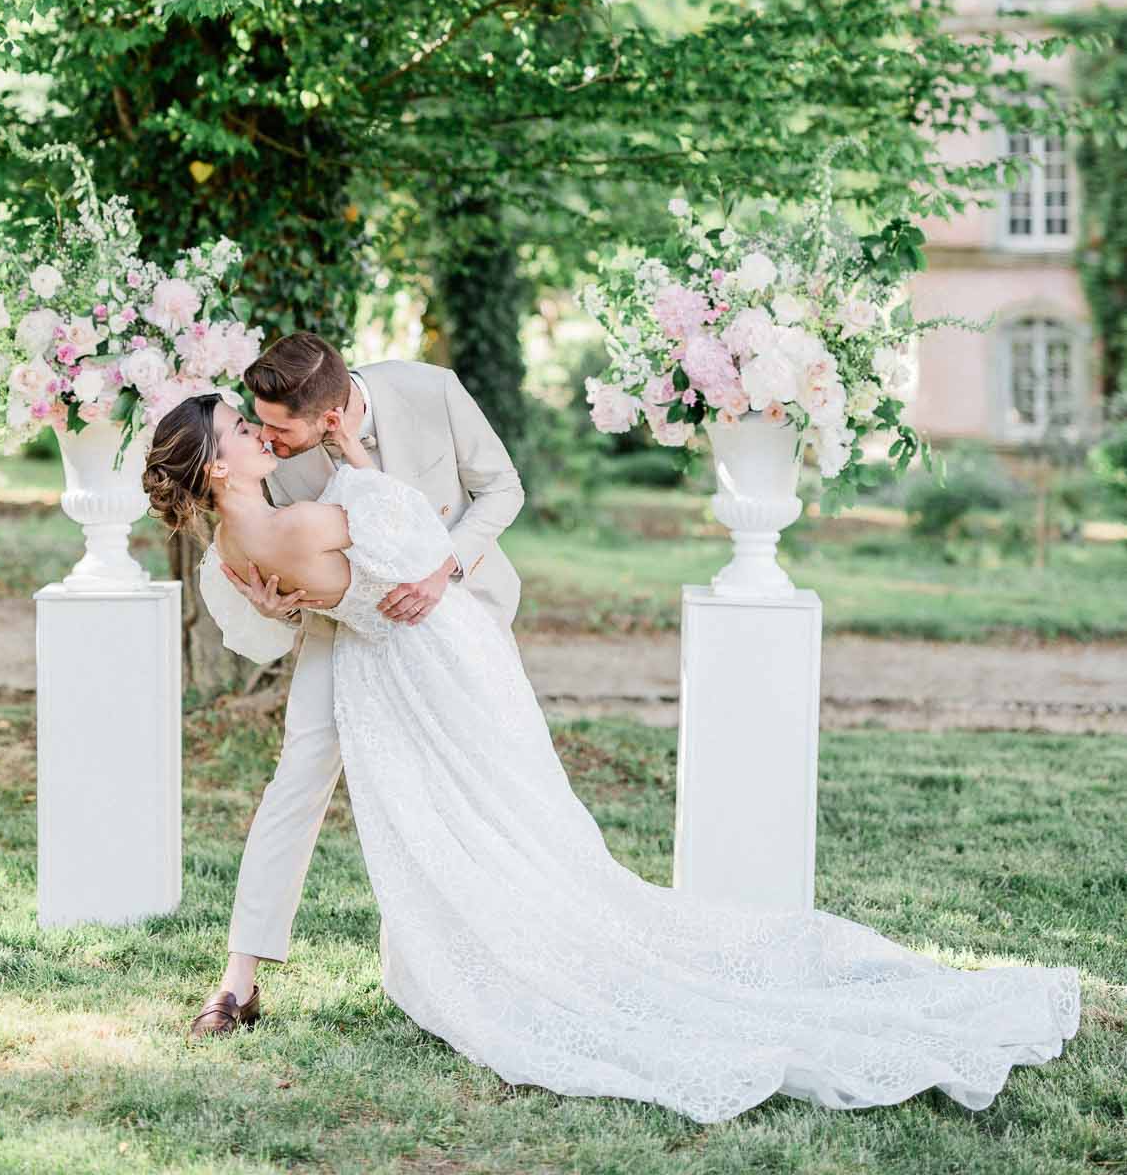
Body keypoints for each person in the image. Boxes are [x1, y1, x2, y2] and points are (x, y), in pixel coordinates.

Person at [143, 392, 1081, 1123]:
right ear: (217, 461)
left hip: (392, 666)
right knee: (511, 811)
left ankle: (390, 957)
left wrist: (301, 596)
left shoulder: (231, 547)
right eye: (240, 426)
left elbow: (323, 578)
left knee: (474, 821)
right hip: (425, 659)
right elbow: (411, 527)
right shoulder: (301, 520)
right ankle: (274, 973)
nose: (261, 431)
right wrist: (355, 465)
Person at [146, 333, 525, 1038]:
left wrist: (443, 572)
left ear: (329, 418)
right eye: (253, 426)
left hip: (454, 611)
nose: (265, 436)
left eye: (277, 428)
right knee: (296, 778)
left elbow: (501, 489)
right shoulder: (268, 464)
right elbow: (272, 564)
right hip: (343, 627)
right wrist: (277, 607)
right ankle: (237, 980)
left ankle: (465, 963)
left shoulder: (432, 389)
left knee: (471, 785)